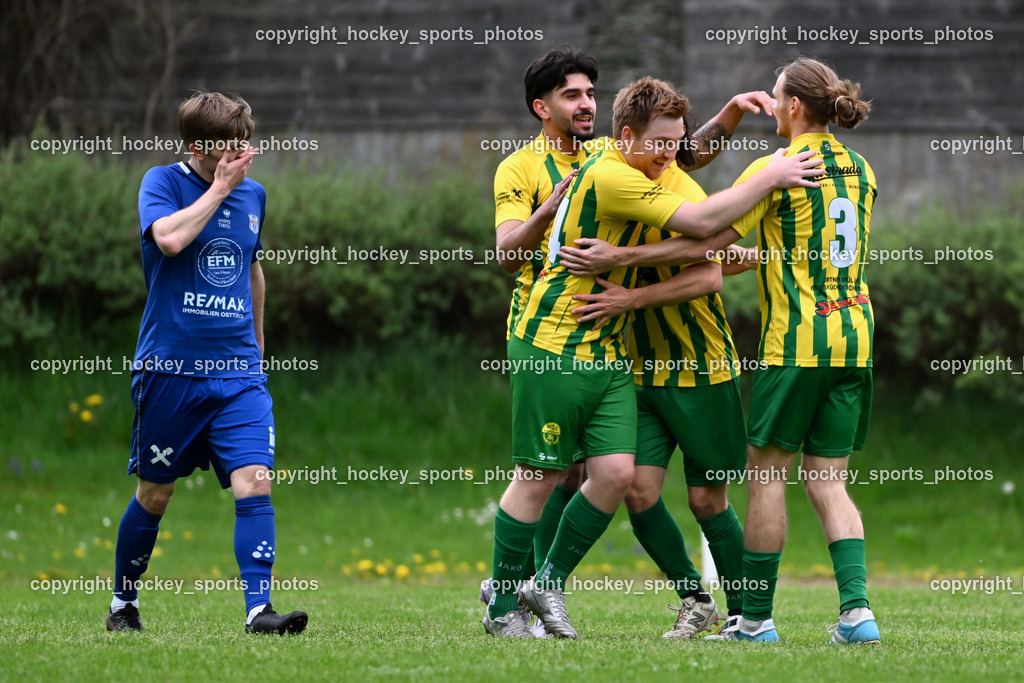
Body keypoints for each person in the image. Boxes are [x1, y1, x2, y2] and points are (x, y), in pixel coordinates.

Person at [485, 75, 821, 639]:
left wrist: (733, 115)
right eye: (573, 95)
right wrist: (767, 177)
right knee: (600, 481)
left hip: (699, 363)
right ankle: (523, 595)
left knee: (699, 496)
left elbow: (710, 240)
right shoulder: (599, 168)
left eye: (590, 91)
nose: (670, 155)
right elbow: (704, 223)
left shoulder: (651, 166)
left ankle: (746, 614)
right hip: (590, 347)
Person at [560, 58, 878, 644]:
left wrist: (622, 258)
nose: (774, 107)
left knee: (765, 479)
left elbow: (708, 235)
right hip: (855, 336)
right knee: (829, 481)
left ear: (793, 108)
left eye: (778, 97)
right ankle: (857, 615)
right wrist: (729, 115)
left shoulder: (777, 169)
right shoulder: (861, 170)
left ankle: (753, 620)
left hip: (799, 342)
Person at [105, 91, 307, 636]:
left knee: (255, 481)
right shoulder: (162, 183)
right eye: (228, 148)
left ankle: (258, 611)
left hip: (238, 375)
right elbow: (169, 240)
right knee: (156, 492)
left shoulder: (255, 195)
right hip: (170, 372)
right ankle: (124, 603)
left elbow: (252, 270)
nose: (242, 156)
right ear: (198, 147)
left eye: (246, 144)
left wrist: (257, 356)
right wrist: (219, 190)